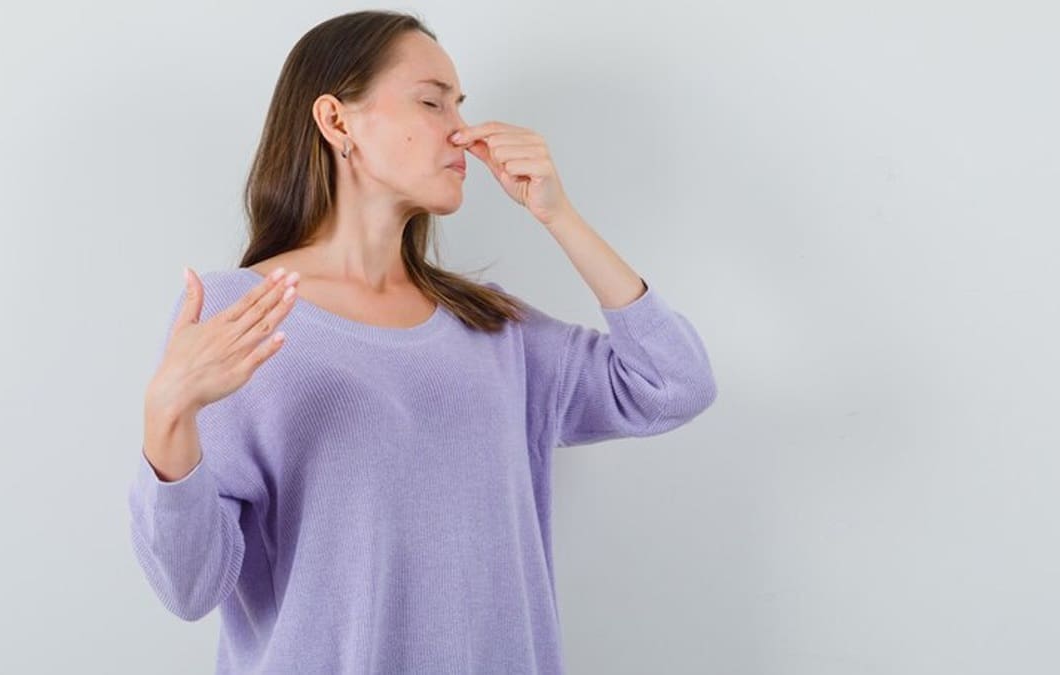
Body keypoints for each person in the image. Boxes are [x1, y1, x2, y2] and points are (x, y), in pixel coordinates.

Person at [128, 9, 717, 674]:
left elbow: (674, 384)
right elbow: (189, 587)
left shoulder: (492, 330)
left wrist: (560, 215)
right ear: (336, 120)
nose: (462, 132)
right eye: (432, 102)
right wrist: (166, 421)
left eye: (459, 106)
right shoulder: (240, 314)